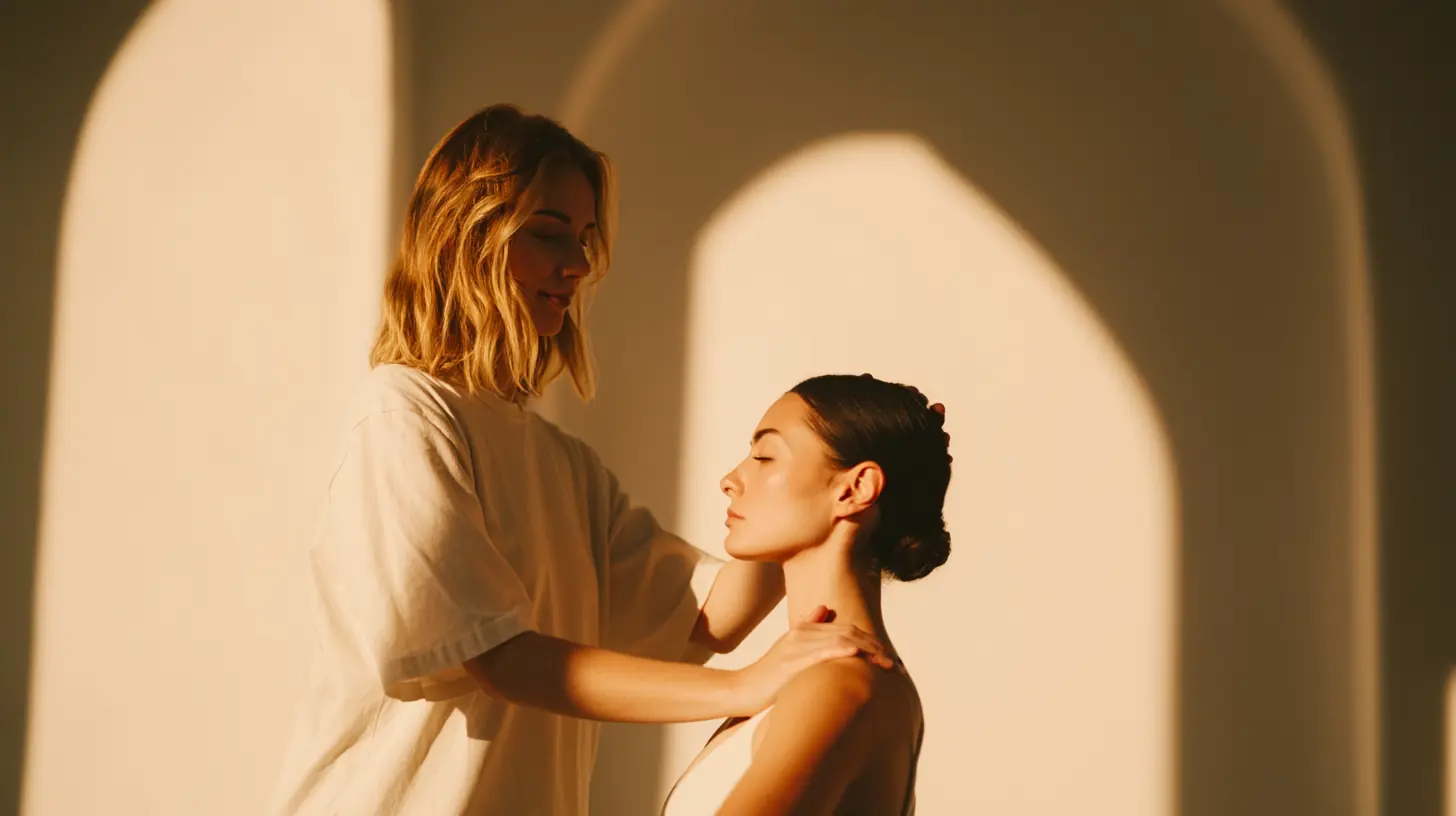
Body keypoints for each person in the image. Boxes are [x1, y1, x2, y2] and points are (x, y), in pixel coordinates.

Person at [270, 105, 902, 816]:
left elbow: (706, 619)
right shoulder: (403, 415)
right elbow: (499, 657)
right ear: (465, 237)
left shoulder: (561, 465)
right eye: (548, 234)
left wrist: (865, 452)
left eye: (585, 239)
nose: (576, 266)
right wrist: (744, 686)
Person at [661, 374, 952, 815]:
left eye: (765, 455)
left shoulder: (838, 686)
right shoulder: (826, 679)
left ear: (854, 489)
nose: (730, 479)